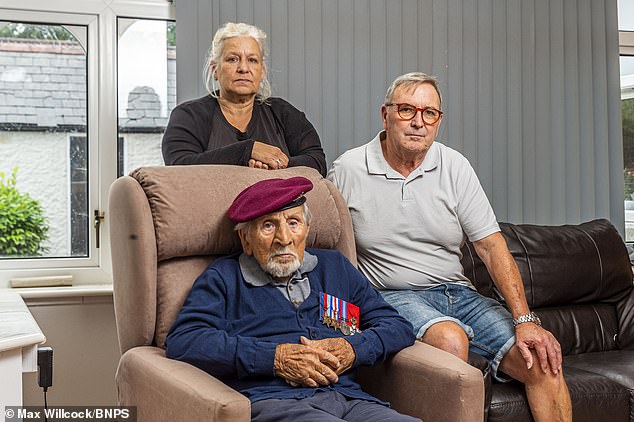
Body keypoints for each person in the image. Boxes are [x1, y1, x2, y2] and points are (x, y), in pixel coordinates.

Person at [328, 72, 572, 421]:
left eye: (429, 113)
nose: (418, 122)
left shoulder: (454, 166)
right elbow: (329, 248)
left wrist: (525, 319)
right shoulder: (349, 169)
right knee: (451, 339)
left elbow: (490, 246)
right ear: (385, 115)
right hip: (393, 294)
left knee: (542, 360)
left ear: (438, 122)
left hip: (458, 293)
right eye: (407, 110)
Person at [165, 176, 419, 422]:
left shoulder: (335, 267)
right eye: (268, 225)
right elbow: (185, 340)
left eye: (294, 223)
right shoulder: (223, 278)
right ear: (246, 240)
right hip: (273, 401)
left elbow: (396, 326)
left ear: (307, 230)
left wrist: (352, 349)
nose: (284, 238)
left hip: (351, 400)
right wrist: (274, 359)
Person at [162, 22, 327, 176]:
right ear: (215, 70)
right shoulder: (189, 115)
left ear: (262, 71)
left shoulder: (283, 113)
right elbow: (179, 167)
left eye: (252, 60)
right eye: (232, 59)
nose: (243, 68)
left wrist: (270, 164)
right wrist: (247, 151)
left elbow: (317, 162)